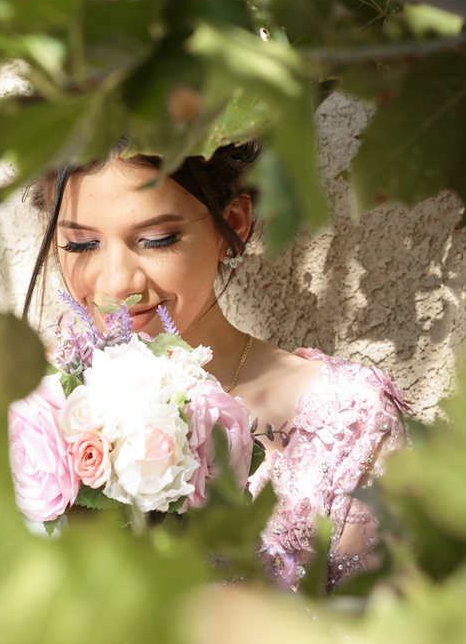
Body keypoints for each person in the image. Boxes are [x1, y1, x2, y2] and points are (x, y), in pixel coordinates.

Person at [21, 140, 408, 592]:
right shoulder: (34, 410)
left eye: (157, 239)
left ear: (234, 224)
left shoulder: (350, 418)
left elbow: (387, 625)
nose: (117, 282)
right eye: (81, 244)